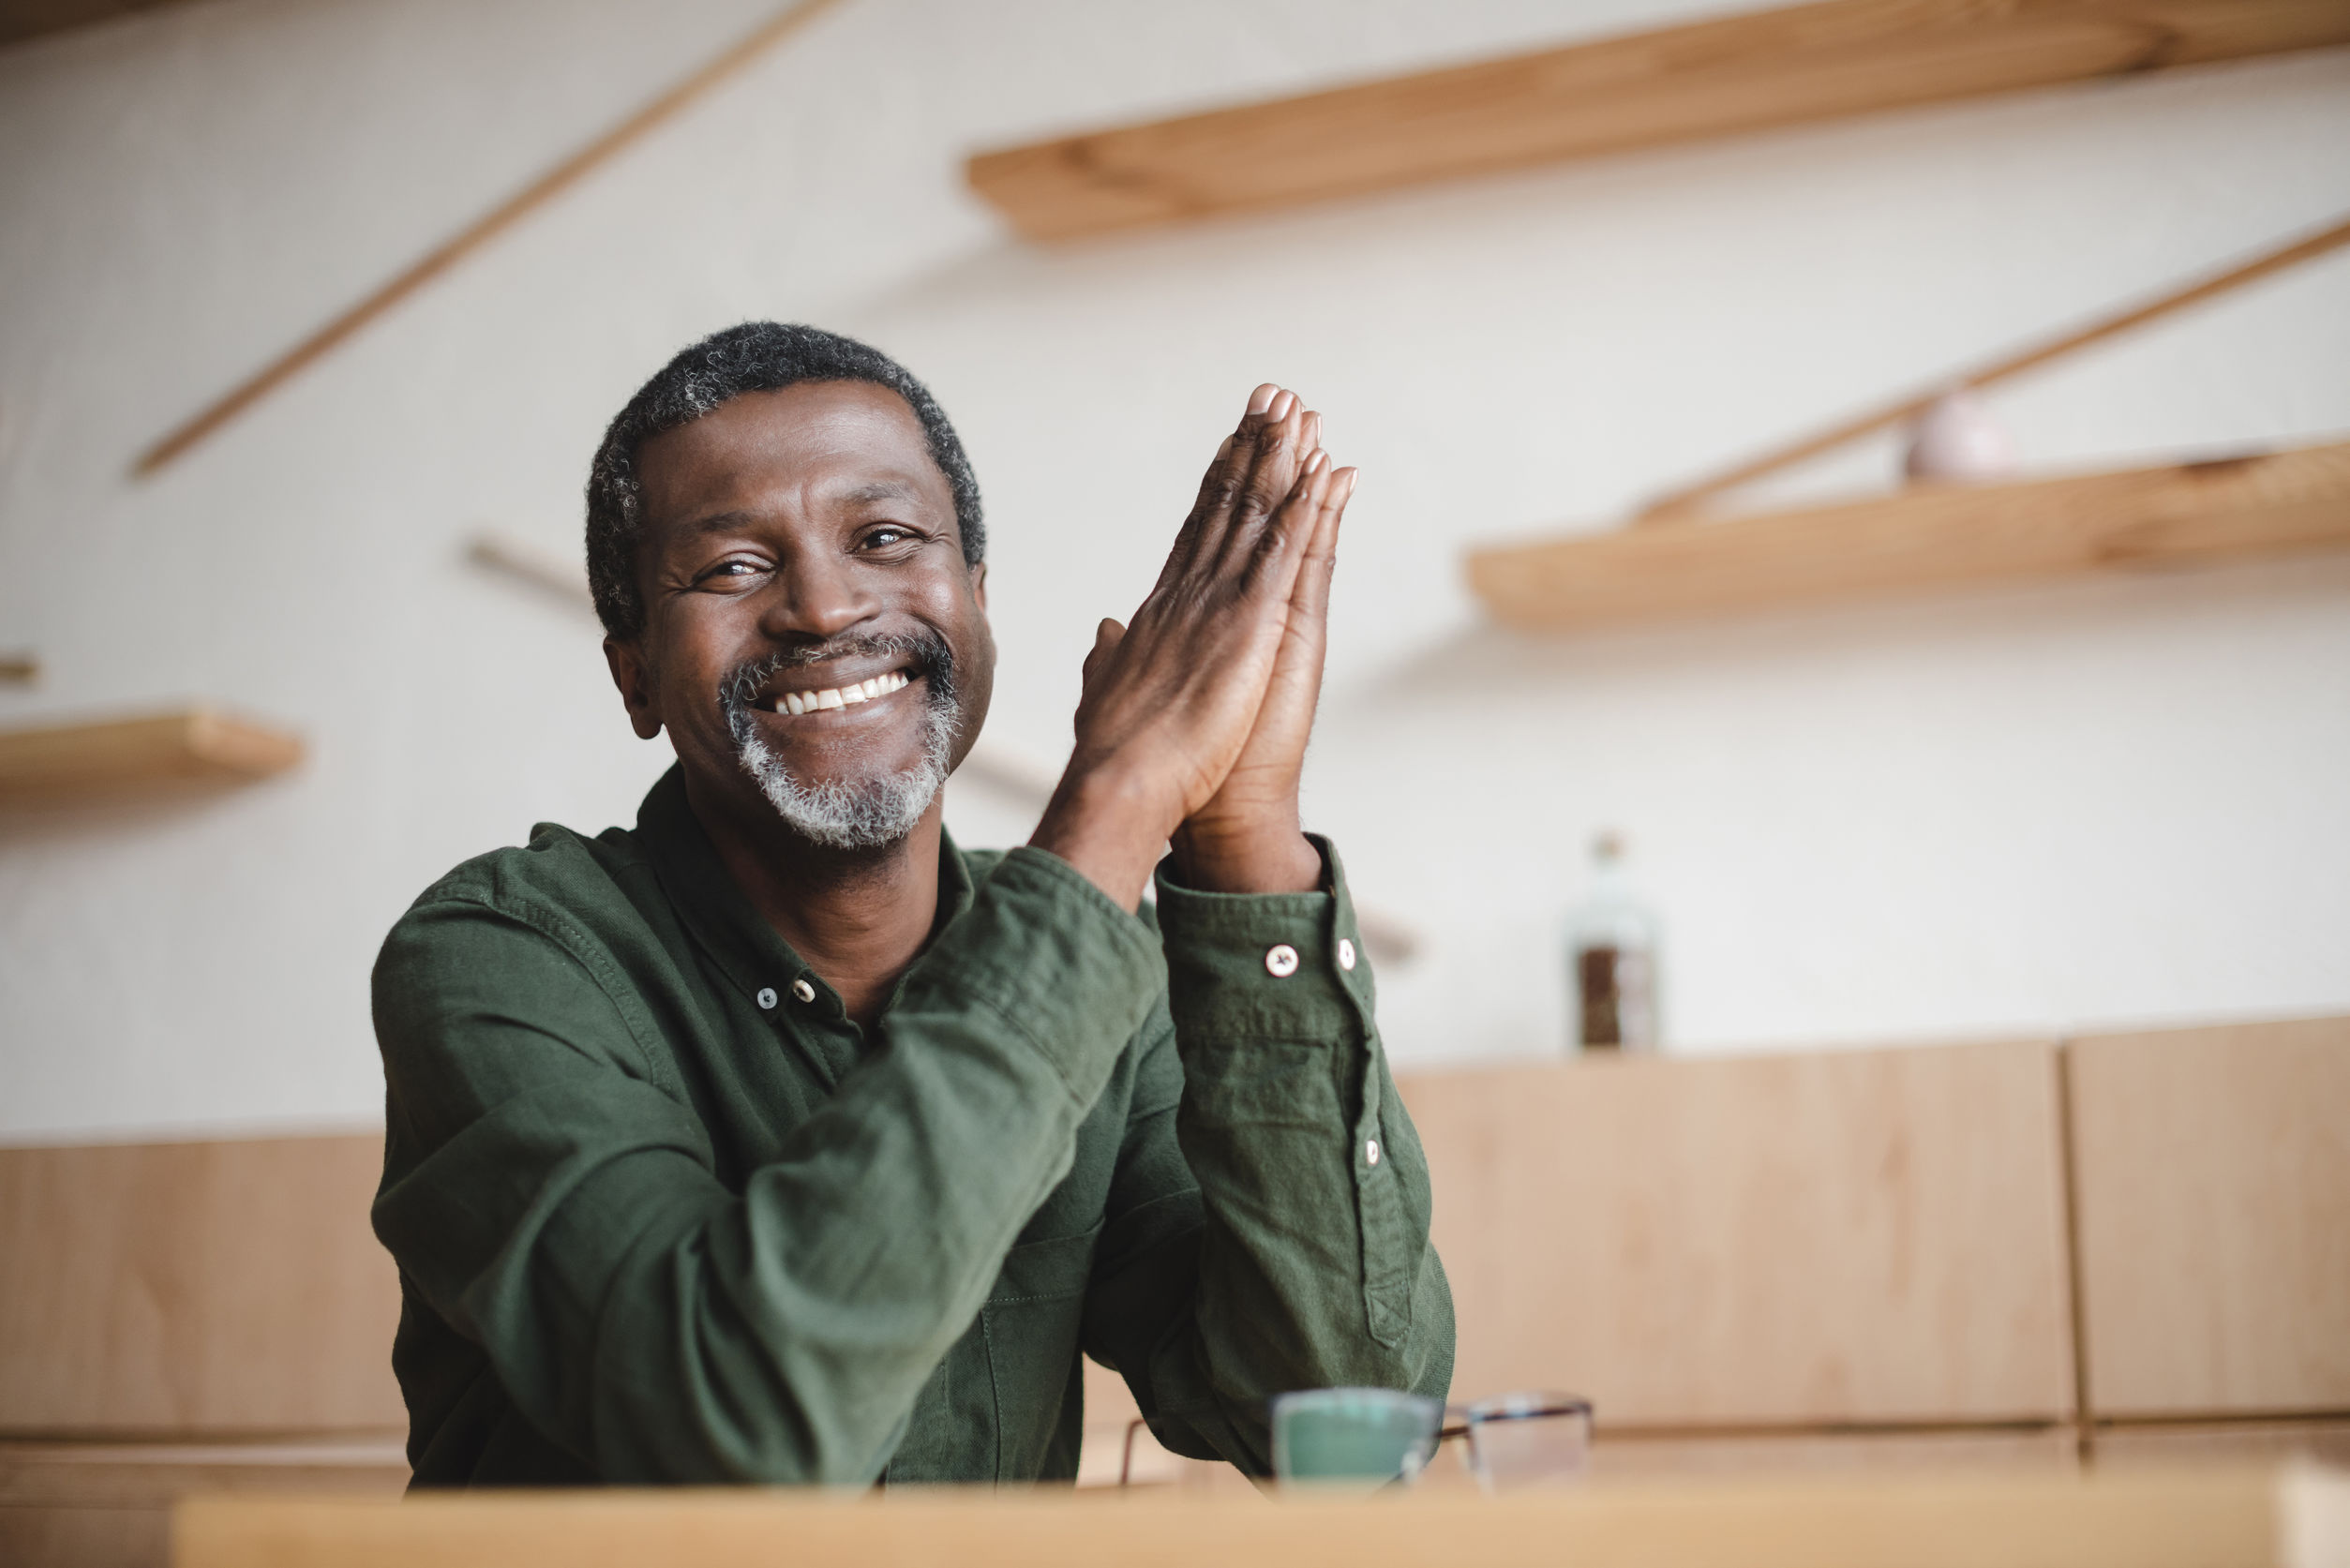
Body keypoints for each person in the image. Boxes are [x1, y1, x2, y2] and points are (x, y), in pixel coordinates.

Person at [370, 322, 1453, 1486]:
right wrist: (1119, 802)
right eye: (733, 565)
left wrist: (1241, 835)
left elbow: (1340, 1419)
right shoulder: (503, 958)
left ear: (975, 601)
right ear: (631, 668)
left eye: (884, 537)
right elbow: (733, 1417)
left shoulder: (1114, 988)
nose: (825, 607)